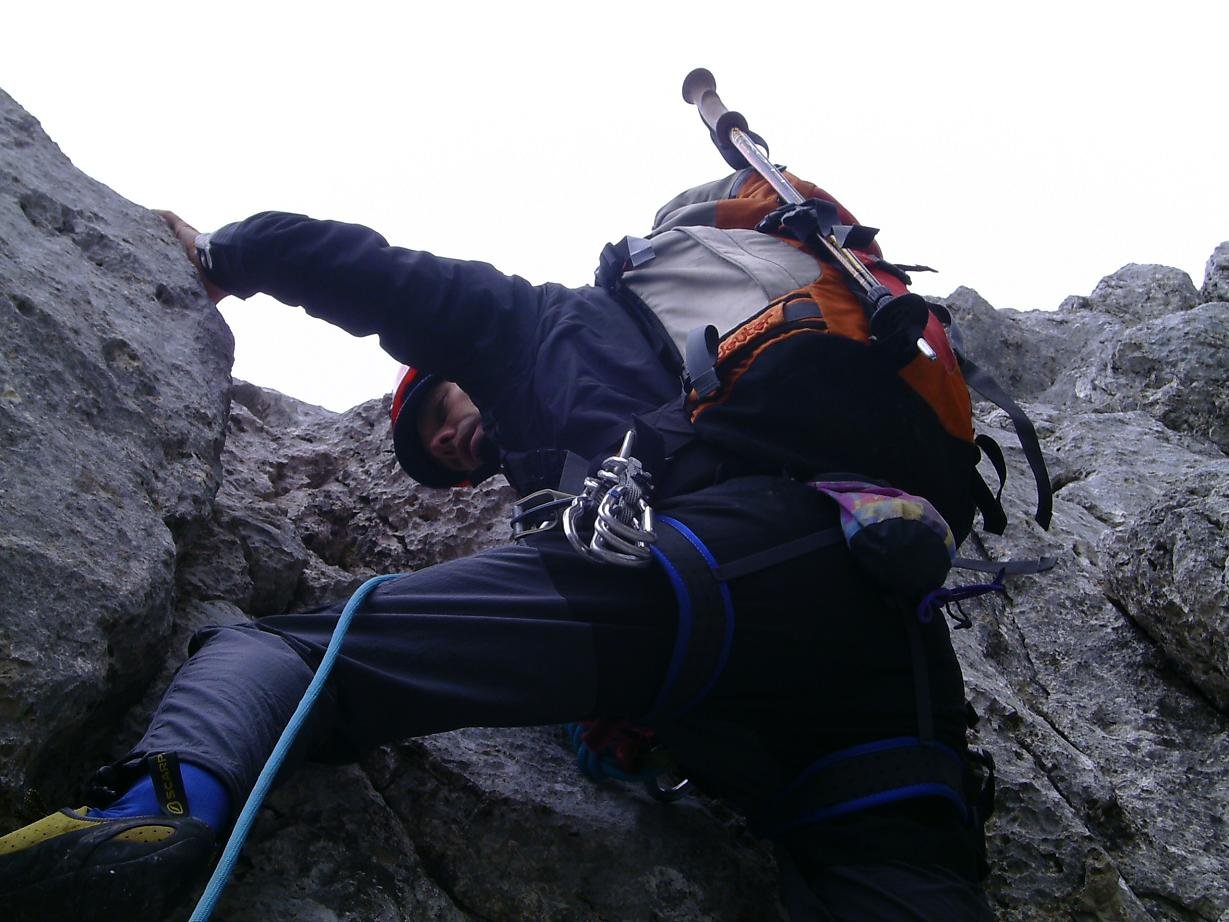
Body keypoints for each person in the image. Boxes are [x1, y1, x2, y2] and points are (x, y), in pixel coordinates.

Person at [0, 178, 996, 921]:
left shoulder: (523, 320)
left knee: (275, 652)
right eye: (436, 458)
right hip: (882, 609)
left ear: (448, 366)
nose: (443, 441)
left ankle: (148, 811)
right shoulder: (634, 404)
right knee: (897, 863)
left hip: (715, 563)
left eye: (434, 412)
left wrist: (225, 252)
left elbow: (366, 270)